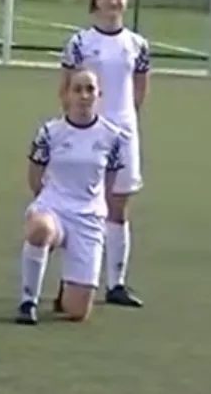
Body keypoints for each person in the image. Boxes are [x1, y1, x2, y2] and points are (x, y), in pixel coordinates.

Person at [56, 0, 150, 308]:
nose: (114, 1)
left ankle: (117, 283)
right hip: (87, 133)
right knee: (82, 206)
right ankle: (74, 280)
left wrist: (124, 124)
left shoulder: (137, 45)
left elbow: (139, 88)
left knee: (118, 207)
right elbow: (66, 87)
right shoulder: (80, 42)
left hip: (122, 134)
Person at [16, 68, 127, 325]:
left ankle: (66, 290)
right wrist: (46, 201)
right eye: (77, 89)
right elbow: (35, 174)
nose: (84, 96)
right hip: (54, 208)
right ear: (66, 95)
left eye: (90, 89)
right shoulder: (50, 132)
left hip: (88, 216)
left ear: (99, 95)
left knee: (77, 312)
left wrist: (95, 207)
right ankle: (27, 300)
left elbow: (108, 182)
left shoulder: (112, 137)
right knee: (39, 229)